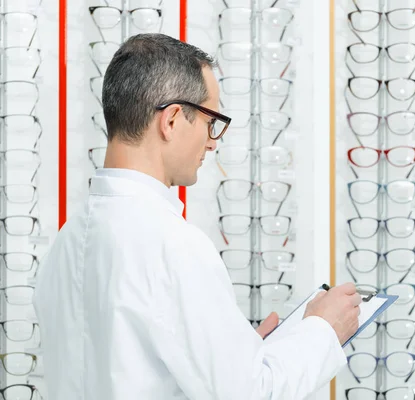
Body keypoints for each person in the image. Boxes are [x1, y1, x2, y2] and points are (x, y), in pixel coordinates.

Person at [32, 33, 361, 399]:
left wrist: (233, 354)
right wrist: (324, 329)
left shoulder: (65, 243)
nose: (212, 141)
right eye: (210, 122)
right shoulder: (173, 246)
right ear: (171, 120)